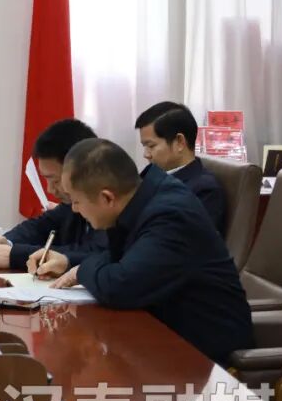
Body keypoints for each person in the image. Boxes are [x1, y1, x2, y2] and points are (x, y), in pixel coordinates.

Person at [31, 138, 252, 366]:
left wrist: (81, 271)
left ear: (107, 198)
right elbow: (118, 259)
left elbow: (121, 285)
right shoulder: (141, 198)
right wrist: (72, 264)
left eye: (76, 201)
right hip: (162, 338)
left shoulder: (170, 215)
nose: (74, 209)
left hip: (206, 357)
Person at [0, 119, 106, 270]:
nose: (50, 190)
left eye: (56, 181)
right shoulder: (70, 203)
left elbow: (94, 254)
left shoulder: (109, 203)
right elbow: (39, 226)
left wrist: (15, 255)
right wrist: (5, 242)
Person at [135, 101, 227, 234]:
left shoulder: (204, 190)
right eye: (145, 147)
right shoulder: (152, 175)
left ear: (179, 142)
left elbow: (189, 240)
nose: (146, 155)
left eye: (151, 146)